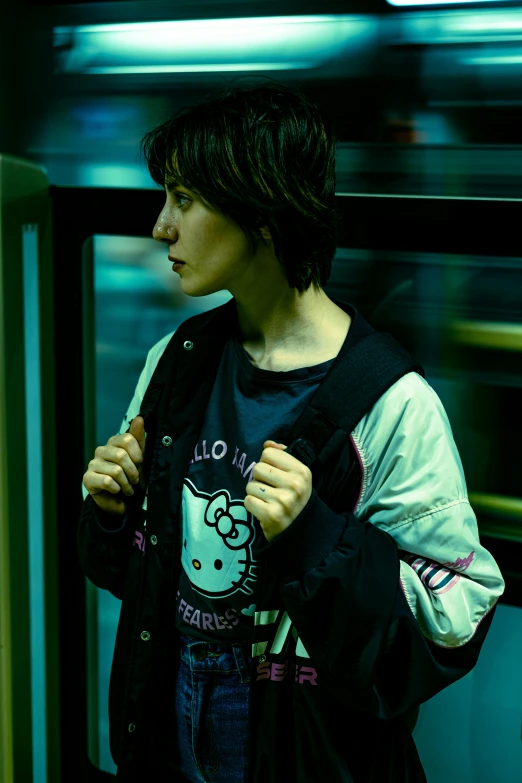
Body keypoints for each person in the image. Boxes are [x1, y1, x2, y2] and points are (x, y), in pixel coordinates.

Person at [79, 80, 505, 783]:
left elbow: (448, 627)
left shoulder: (393, 405)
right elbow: (141, 578)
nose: (161, 226)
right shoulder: (176, 363)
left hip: (307, 746)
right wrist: (109, 513)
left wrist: (313, 538)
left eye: (184, 199)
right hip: (169, 726)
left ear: (263, 213)